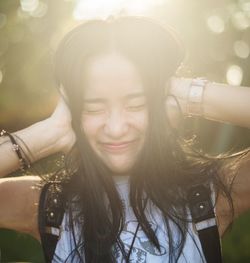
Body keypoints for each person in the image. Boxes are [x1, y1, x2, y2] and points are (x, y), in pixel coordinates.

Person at [0, 15, 250, 263]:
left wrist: (185, 95)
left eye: (136, 104)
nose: (117, 128)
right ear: (73, 114)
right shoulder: (46, 205)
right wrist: (48, 133)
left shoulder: (210, 194)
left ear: (160, 105)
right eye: (94, 108)